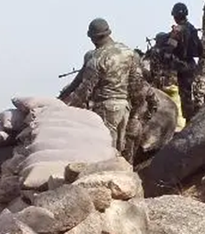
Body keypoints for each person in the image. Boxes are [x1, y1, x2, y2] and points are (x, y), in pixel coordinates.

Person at [59, 18, 146, 155]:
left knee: (105, 152)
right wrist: (136, 114)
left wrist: (66, 110)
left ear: (93, 37)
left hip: (105, 109)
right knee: (121, 150)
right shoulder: (129, 52)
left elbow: (85, 90)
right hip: (124, 108)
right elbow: (137, 85)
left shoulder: (97, 58)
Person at [170, 2, 201, 120]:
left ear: (175, 16)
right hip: (192, 64)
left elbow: (169, 49)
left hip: (181, 66)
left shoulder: (177, 30)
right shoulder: (192, 28)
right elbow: (199, 49)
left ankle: (189, 122)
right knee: (194, 94)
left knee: (185, 96)